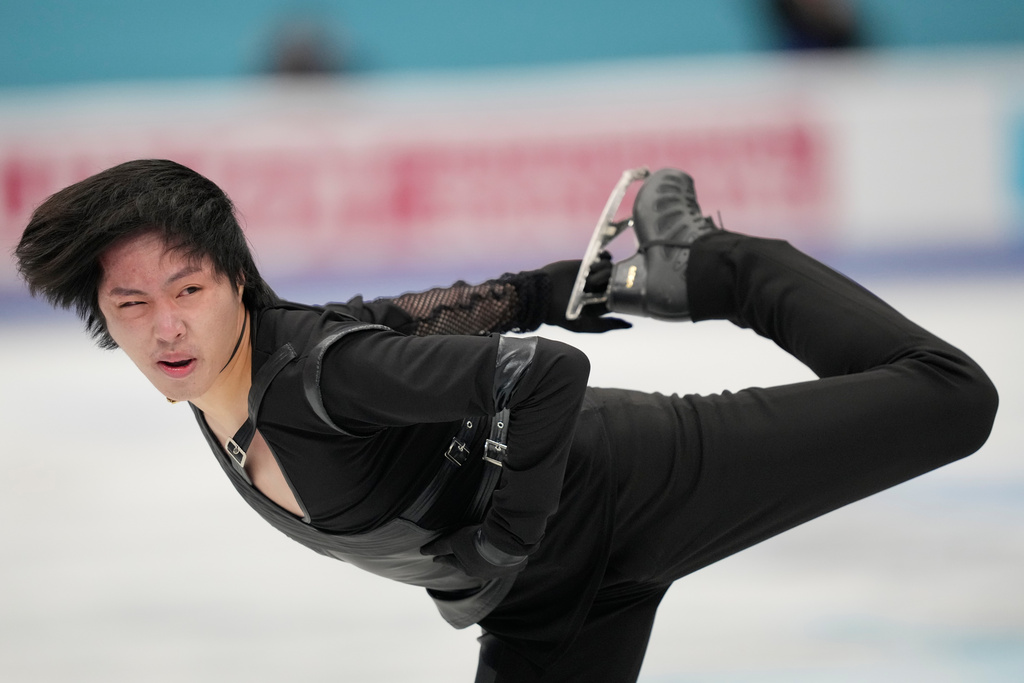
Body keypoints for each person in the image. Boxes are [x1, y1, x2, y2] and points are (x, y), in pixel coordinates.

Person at [15, 160, 997, 682]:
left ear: (236, 278)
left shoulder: (319, 377)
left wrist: (503, 539)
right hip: (545, 602)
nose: (166, 324)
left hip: (627, 482)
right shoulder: (224, 368)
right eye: (132, 305)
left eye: (186, 287)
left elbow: (541, 376)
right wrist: (543, 284)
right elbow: (392, 316)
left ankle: (712, 263)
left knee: (950, 397)